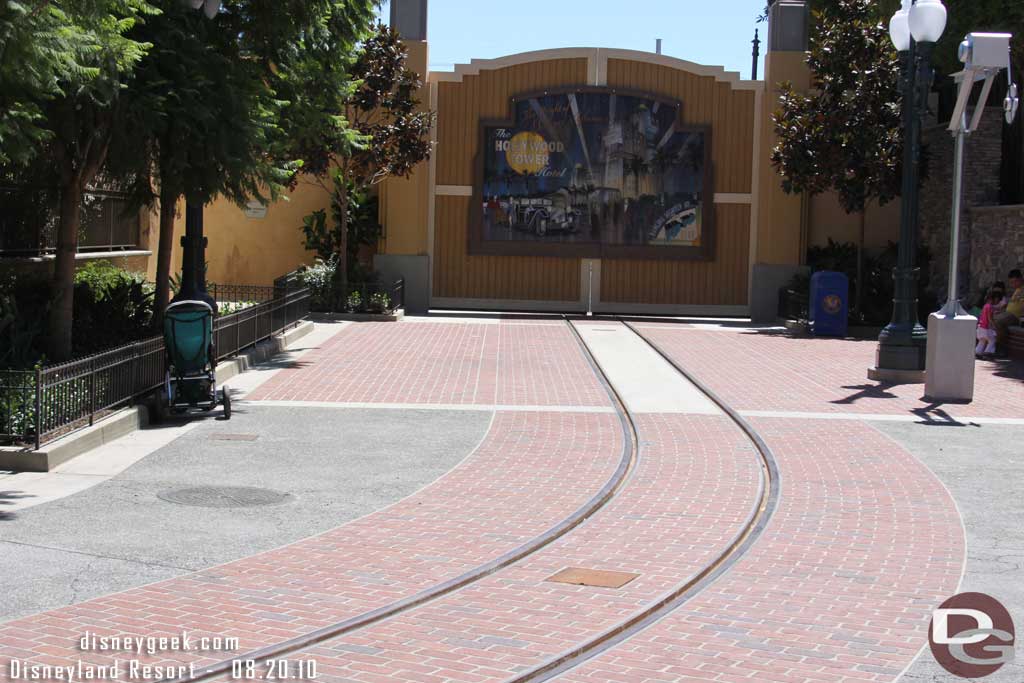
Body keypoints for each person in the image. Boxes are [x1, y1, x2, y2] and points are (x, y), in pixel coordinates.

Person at [994, 269, 1024, 355]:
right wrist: (1001, 310)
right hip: (1008, 314)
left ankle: (1001, 347)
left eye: (1015, 282)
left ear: (1021, 279)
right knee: (989, 317)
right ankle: (988, 345)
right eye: (1011, 282)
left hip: (1016, 316)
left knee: (998, 321)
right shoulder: (1017, 289)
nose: (1013, 284)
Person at [976, 288, 1001, 357]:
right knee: (992, 340)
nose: (997, 301)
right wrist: (994, 326)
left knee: (982, 340)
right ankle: (988, 352)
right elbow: (990, 318)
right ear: (992, 299)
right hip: (986, 328)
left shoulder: (985, 306)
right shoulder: (990, 307)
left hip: (980, 327)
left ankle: (978, 352)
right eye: (997, 299)